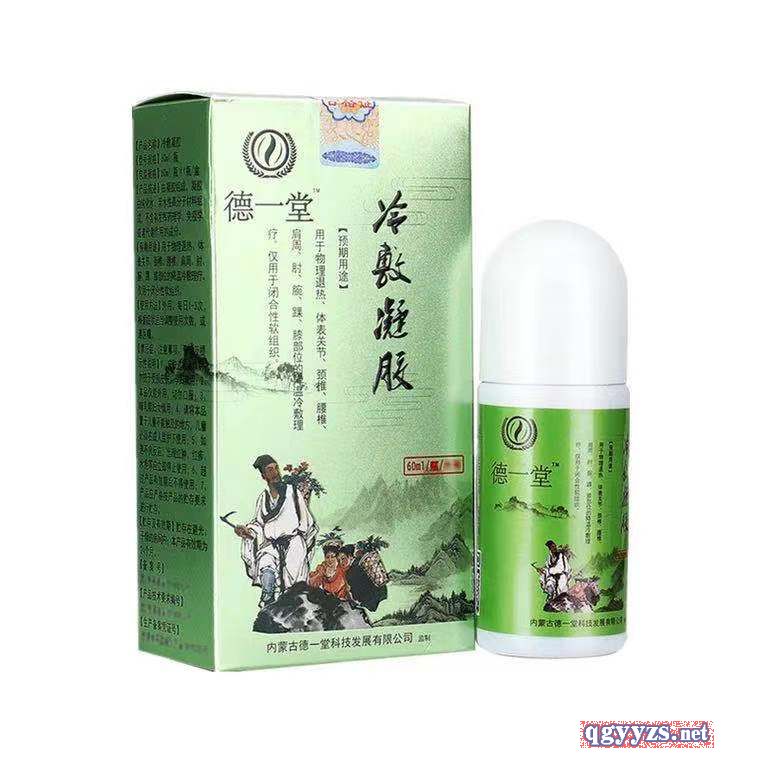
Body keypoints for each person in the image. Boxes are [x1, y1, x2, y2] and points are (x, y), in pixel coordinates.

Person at [236, 454, 318, 607]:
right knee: (265, 561)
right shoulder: (263, 498)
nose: (275, 473)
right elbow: (258, 524)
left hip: (293, 542)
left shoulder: (293, 492)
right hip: (272, 544)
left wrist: (299, 537)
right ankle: (268, 600)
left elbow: (306, 521)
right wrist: (248, 532)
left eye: (276, 468)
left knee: (294, 585)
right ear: (263, 476)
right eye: (270, 470)